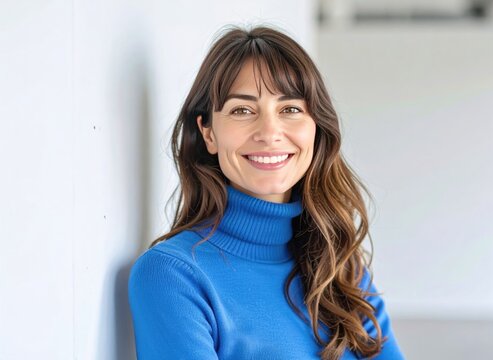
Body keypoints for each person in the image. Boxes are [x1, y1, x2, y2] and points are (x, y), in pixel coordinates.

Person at [128, 25, 405, 360]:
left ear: (315, 128)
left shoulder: (341, 268)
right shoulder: (172, 277)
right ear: (208, 133)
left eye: (290, 109)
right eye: (242, 110)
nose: (270, 132)